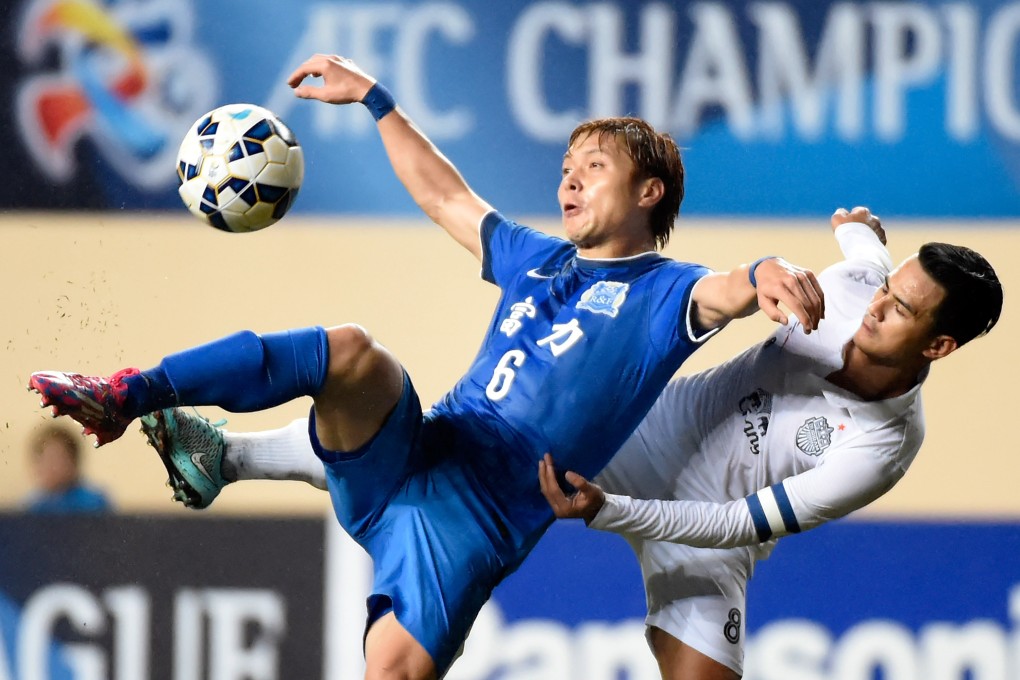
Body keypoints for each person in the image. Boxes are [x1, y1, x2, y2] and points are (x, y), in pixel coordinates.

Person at [27, 53, 825, 680]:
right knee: (352, 350)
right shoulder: (536, 259)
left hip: (471, 524)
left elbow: (734, 289)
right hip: (415, 450)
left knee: (395, 673)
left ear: (650, 191)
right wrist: (376, 99)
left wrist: (770, 271)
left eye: (595, 165)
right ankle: (129, 393)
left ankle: (224, 456)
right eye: (566, 164)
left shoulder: (668, 294)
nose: (570, 177)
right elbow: (446, 197)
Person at [537, 207, 1003, 679]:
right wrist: (855, 227)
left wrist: (608, 509)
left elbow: (734, 523)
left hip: (716, 532)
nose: (875, 308)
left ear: (939, 346)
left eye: (901, 309)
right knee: (498, 460)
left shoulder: (883, 449)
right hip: (647, 433)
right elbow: (868, 258)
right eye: (886, 289)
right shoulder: (851, 285)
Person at [24, 421, 113, 514]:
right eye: (43, 459)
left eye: (56, 459)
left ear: (73, 461)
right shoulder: (32, 507)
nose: (49, 466)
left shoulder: (94, 503)